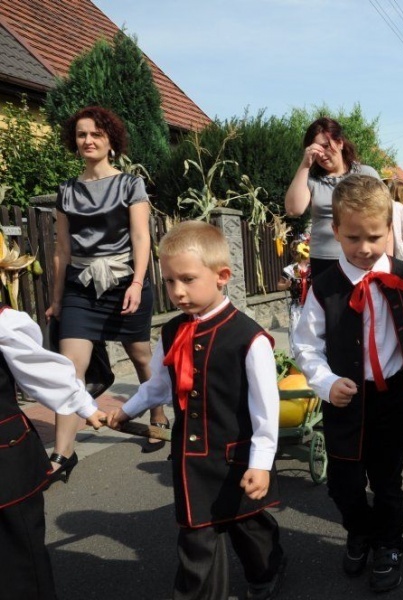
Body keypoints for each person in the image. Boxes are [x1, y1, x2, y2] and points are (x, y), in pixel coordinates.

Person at [107, 221, 286, 600]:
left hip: (236, 458)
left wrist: (261, 463)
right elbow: (159, 385)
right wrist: (128, 409)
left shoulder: (249, 338)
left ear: (222, 276)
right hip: (191, 461)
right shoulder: (172, 331)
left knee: (246, 525)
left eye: (187, 279)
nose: (177, 291)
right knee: (198, 539)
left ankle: (268, 568)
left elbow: (266, 410)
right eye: (169, 281)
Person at [292, 175, 403, 593]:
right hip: (345, 400)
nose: (364, 248)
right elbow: (305, 345)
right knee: (343, 484)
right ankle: (359, 530)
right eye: (353, 237)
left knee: (387, 482)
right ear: (335, 231)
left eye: (374, 237)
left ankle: (389, 544)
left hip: (392, 396)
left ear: (389, 230)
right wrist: (326, 382)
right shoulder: (324, 286)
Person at [46, 105, 166, 469]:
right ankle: (63, 453)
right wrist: (57, 301)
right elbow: (62, 249)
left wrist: (138, 282)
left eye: (96, 134)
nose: (89, 140)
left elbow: (141, 238)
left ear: (110, 141)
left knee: (140, 355)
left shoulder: (130, 184)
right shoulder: (66, 190)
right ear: (74, 141)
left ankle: (158, 415)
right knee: (70, 368)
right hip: (81, 287)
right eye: (82, 134)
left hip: (125, 282)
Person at [0, 305, 105, 600]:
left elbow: (41, 370)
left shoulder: (4, 323)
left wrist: (85, 406)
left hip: (6, 465)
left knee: (19, 561)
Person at [284, 117, 381, 277]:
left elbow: (385, 217)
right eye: (316, 150)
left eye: (326, 146)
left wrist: (387, 258)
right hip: (323, 261)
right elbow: (294, 209)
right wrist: (305, 165)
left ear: (340, 142)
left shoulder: (366, 174)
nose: (322, 155)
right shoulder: (311, 180)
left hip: (363, 259)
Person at [276, 236, 311, 336]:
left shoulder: (312, 268)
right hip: (297, 307)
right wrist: (286, 285)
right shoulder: (291, 269)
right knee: (297, 333)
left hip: (311, 305)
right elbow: (279, 286)